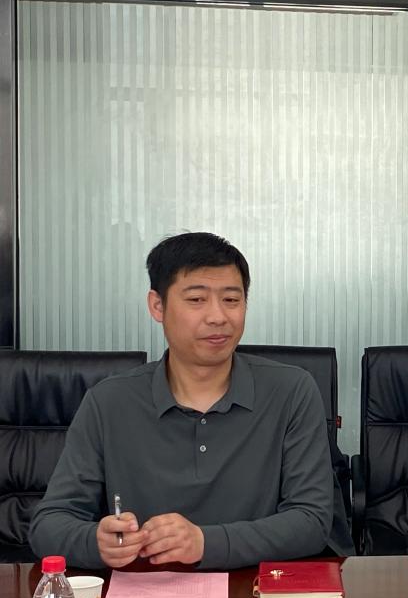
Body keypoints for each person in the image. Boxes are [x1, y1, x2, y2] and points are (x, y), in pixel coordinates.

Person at [30, 232, 333, 570]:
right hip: (144, 593)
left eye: (231, 300)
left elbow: (312, 521)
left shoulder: (291, 390)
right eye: (196, 300)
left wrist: (205, 543)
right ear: (157, 305)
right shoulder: (109, 401)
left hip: (255, 590)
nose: (218, 316)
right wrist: (96, 542)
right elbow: (49, 524)